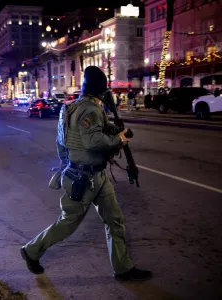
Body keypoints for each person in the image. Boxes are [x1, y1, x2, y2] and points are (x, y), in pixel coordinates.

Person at [20, 66, 152, 282]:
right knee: (68, 223)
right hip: (84, 178)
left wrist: (67, 164)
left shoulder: (70, 108)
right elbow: (94, 142)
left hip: (95, 176)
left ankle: (123, 268)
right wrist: (121, 139)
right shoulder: (90, 109)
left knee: (114, 219)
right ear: (102, 89)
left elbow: (61, 142)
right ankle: (31, 250)